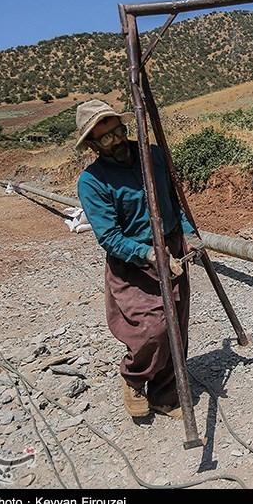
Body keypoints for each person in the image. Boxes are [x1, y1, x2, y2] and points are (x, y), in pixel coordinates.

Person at [75, 99, 205, 418]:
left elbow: (174, 199)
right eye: (107, 137)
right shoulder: (91, 182)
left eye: (119, 130)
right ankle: (134, 377)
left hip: (171, 246)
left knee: (178, 323)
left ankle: (164, 394)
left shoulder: (153, 155)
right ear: (92, 144)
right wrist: (149, 253)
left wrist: (188, 233)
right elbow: (109, 237)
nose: (118, 139)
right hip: (133, 261)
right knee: (153, 328)